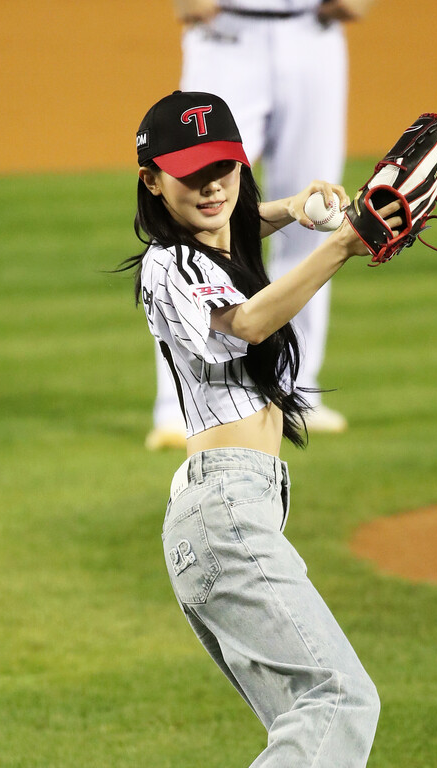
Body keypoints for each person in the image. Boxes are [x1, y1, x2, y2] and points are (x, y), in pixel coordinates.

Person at [125, 90, 397, 768]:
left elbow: (240, 237)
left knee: (311, 723)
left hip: (241, 513)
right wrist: (341, 243)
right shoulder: (167, 267)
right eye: (192, 176)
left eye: (226, 171)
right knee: (340, 700)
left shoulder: (215, 239)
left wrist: (300, 207)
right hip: (225, 514)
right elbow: (246, 320)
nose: (213, 188)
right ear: (152, 181)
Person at [144, 0, 376, 451]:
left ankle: (295, 386)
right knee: (190, 211)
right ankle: (180, 405)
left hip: (316, 34)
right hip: (226, 35)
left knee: (315, 212)